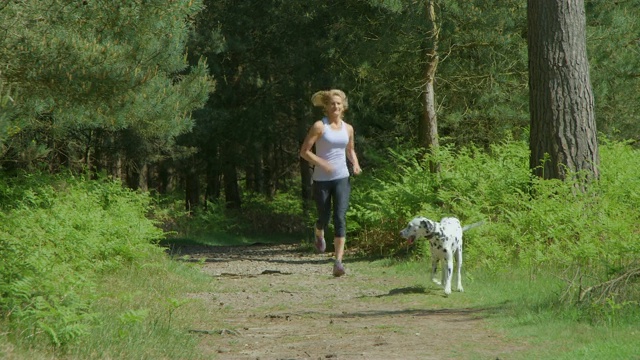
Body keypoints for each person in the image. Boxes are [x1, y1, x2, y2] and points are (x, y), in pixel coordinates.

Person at [299, 89, 362, 277]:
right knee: (324, 217)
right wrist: (322, 163)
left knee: (340, 217)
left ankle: (338, 262)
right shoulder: (320, 126)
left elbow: (350, 150)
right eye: (332, 103)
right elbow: (304, 151)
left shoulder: (348, 128)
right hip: (321, 179)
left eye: (338, 103)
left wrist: (356, 164)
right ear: (326, 107)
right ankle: (319, 232)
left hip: (342, 176)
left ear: (344, 107)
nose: (335, 106)